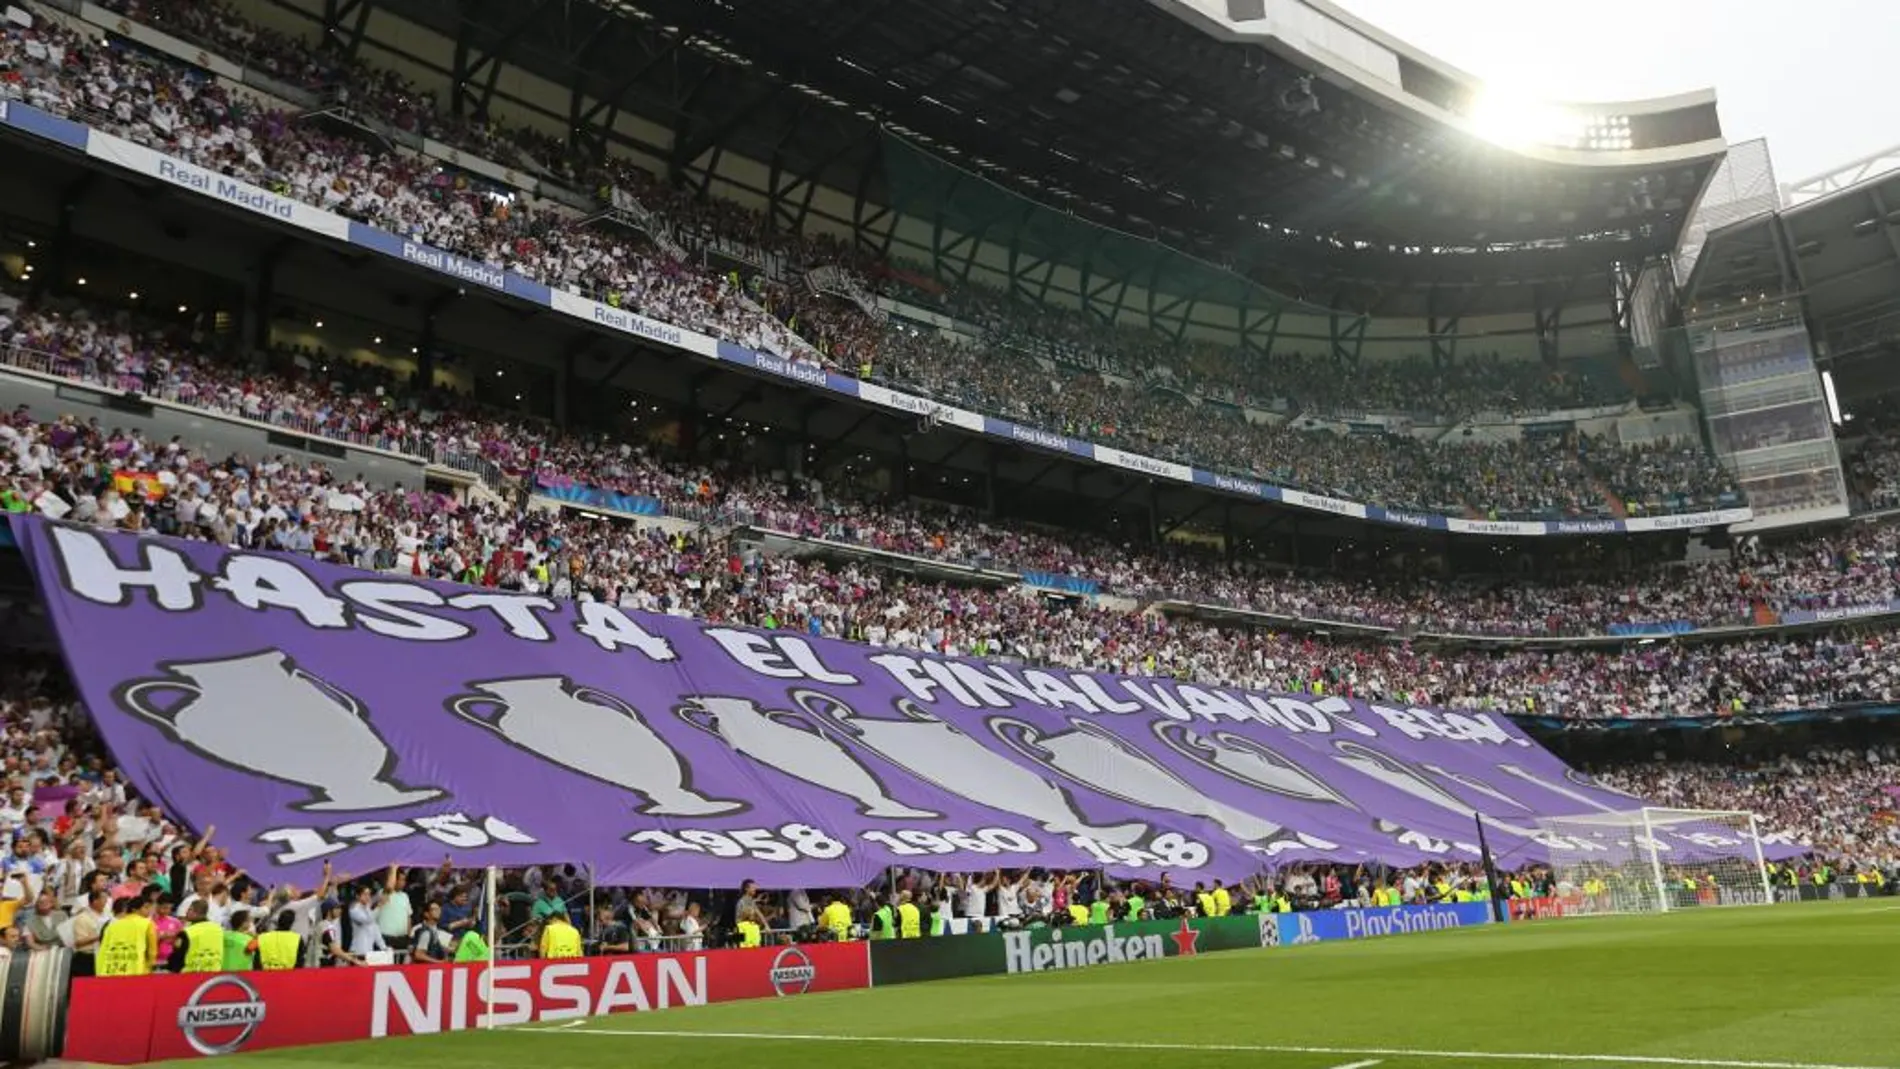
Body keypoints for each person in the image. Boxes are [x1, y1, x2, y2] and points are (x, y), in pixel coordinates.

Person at [97, 895, 158, 976]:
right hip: (138, 970)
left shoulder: (112, 926)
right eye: (146, 907)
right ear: (134, 909)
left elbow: (103, 950)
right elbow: (152, 951)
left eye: (150, 908)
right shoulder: (148, 923)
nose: (149, 911)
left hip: (112, 970)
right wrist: (150, 966)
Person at [179, 900, 225, 973]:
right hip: (213, 974)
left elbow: (179, 956)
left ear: (196, 912)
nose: (186, 912)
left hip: (191, 974)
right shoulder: (218, 929)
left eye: (189, 909)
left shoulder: (188, 932)